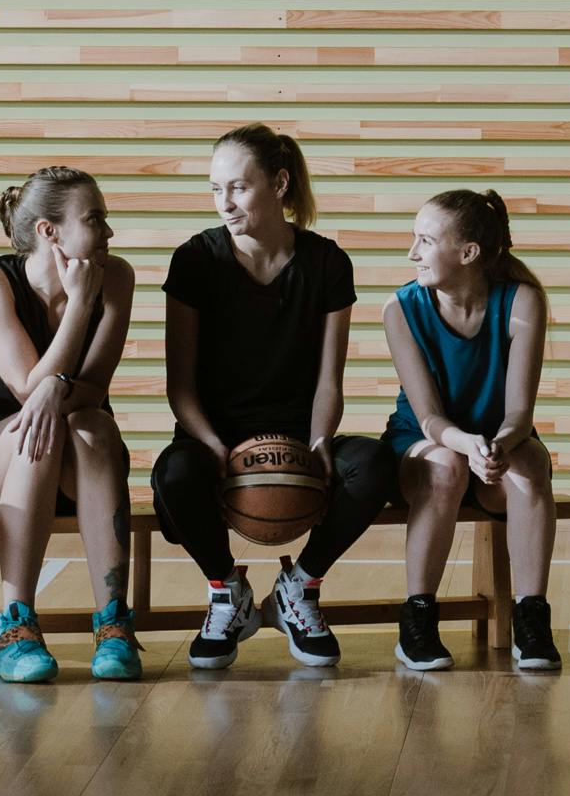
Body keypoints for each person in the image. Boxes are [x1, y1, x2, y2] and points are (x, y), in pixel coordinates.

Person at [157, 124, 394, 675]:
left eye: (238, 187)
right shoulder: (195, 260)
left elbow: (328, 380)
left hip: (296, 432)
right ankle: (227, 593)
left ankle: (299, 587)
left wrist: (318, 440)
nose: (225, 202)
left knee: (375, 465)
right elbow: (180, 386)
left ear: (280, 184)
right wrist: (213, 444)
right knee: (173, 477)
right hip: (212, 434)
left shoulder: (328, 263)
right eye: (216, 189)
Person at [0, 166, 142, 684]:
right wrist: (79, 303)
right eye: (95, 219)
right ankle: (15, 626)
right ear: (48, 232)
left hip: (79, 445)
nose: (108, 232)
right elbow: (23, 390)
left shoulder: (117, 276)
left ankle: (113, 624)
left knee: (93, 427)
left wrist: (56, 386)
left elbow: (94, 386)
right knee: (43, 427)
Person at [383, 187, 559, 676]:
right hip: (426, 445)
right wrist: (467, 446)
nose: (412, 253)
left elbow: (520, 413)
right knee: (445, 468)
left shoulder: (522, 301)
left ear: (468, 253)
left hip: (496, 446)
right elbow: (428, 419)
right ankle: (416, 619)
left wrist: (499, 446)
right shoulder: (400, 309)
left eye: (424, 240)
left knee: (531, 466)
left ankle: (532, 619)